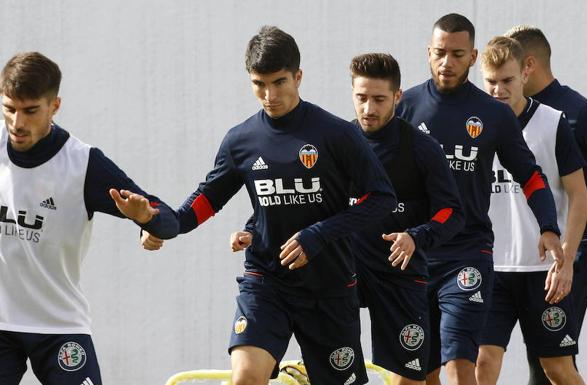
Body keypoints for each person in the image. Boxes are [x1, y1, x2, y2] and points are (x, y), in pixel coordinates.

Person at [142, 26, 396, 385]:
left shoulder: (337, 134)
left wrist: (318, 235)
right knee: (245, 378)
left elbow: (381, 199)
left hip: (330, 288)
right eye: (259, 84)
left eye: (279, 82)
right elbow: (199, 206)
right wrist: (155, 223)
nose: (269, 94)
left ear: (298, 77)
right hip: (267, 283)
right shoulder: (240, 140)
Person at [231, 53, 465, 385]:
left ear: (398, 97)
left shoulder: (421, 148)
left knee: (411, 379)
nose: (369, 108)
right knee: (330, 366)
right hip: (342, 273)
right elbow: (297, 202)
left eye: (379, 99)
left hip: (397, 273)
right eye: (362, 98)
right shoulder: (337, 139)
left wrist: (416, 236)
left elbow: (453, 213)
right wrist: (253, 229)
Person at [396, 14, 563, 385]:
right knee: (411, 376)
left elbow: (531, 178)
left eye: (457, 54)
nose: (446, 62)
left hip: (467, 254)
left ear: (473, 57)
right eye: (439, 53)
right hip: (414, 254)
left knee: (459, 367)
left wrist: (549, 227)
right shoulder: (404, 108)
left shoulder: (493, 113)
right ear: (428, 52)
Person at [0, 52, 179, 385]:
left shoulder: (83, 164)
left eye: (30, 111)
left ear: (54, 106)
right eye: (9, 109)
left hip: (59, 326)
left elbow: (169, 221)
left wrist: (147, 219)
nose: (17, 123)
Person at [505, 25, 587, 385]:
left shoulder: (581, 113)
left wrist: (569, 256)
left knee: (553, 358)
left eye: (509, 69)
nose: (498, 81)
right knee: (536, 358)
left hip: (578, 249)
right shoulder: (502, 114)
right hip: (523, 253)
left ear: (528, 65)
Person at [475, 36, 587, 385]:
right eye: (491, 82)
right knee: (483, 361)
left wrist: (566, 260)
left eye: (506, 81)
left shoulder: (553, 122)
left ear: (524, 74)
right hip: (490, 266)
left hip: (542, 269)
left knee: (556, 368)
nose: (498, 90)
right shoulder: (472, 124)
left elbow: (578, 196)